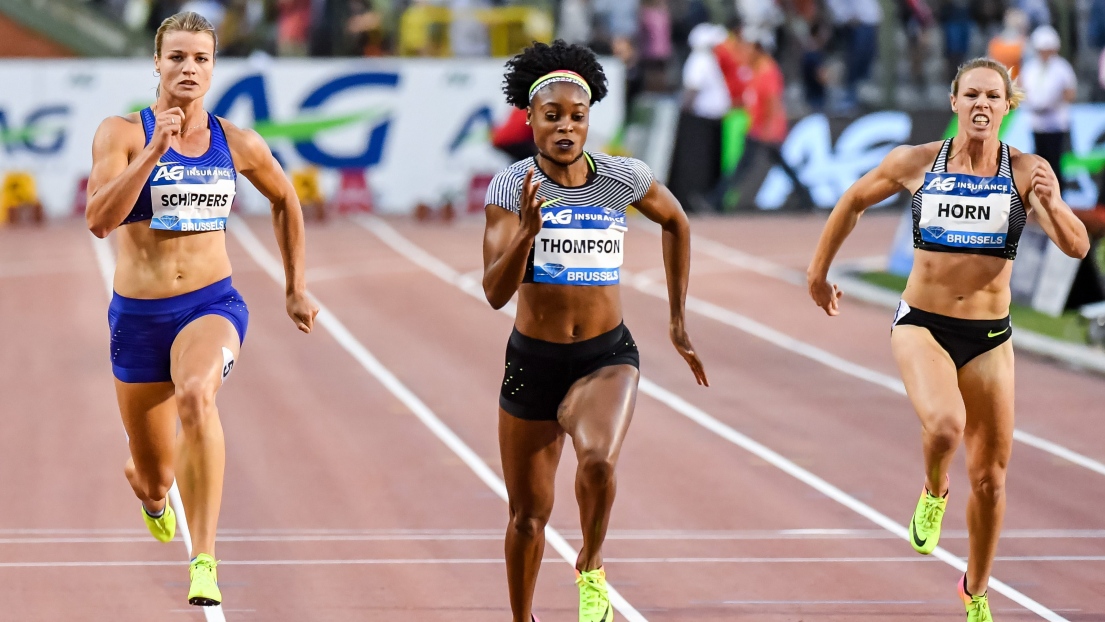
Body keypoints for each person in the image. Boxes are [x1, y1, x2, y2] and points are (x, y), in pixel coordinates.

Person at [807, 58, 1089, 622]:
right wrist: (817, 273)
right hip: (923, 325)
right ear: (954, 102)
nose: (983, 105)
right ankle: (934, 490)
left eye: (994, 96)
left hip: (990, 337)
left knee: (990, 480)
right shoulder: (916, 163)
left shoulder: (1026, 170)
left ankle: (976, 591)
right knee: (944, 425)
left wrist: (1052, 204)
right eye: (973, 95)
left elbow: (1078, 247)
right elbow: (853, 201)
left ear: (1009, 106)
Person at [84, 12, 318, 606]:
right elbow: (99, 221)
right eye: (178, 58)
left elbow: (286, 199)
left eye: (202, 59)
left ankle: (205, 558)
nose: (189, 69)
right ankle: (152, 493)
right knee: (153, 476)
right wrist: (154, 150)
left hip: (211, 304)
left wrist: (295, 286)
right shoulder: (121, 134)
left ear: (213, 69)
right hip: (138, 318)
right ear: (157, 65)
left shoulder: (235, 141)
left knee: (196, 393)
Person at [482, 40, 708, 622]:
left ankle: (591, 563)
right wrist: (528, 233)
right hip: (533, 360)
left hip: (605, 356)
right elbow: (493, 293)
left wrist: (678, 321)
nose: (564, 127)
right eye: (551, 116)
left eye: (576, 117)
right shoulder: (512, 189)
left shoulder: (621, 178)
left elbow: (676, 222)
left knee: (599, 462)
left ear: (589, 121)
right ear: (529, 119)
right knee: (528, 517)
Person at [669, 22, 729, 212]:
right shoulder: (700, 59)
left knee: (709, 162)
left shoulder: (710, 59)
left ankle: (704, 197)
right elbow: (692, 90)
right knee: (699, 163)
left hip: (710, 119)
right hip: (699, 120)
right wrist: (683, 112)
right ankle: (695, 198)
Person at [1021, 25, 1077, 186]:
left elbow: (1070, 93)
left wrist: (1054, 103)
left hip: (1055, 122)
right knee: (1038, 161)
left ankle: (1058, 197)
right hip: (1036, 122)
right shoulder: (1030, 67)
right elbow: (1021, 88)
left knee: (1055, 162)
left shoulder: (1062, 68)